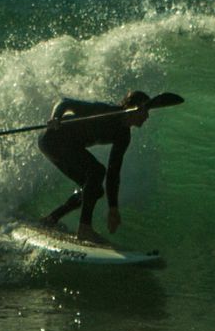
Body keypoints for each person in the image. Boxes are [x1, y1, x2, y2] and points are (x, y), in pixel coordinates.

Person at [37, 90, 151, 244]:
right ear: (135, 108)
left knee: (94, 189)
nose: (147, 117)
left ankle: (51, 219)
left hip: (67, 146)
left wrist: (113, 208)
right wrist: (55, 118)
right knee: (96, 171)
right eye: (145, 111)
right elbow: (65, 102)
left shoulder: (124, 135)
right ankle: (85, 229)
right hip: (53, 138)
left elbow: (113, 172)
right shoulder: (105, 111)